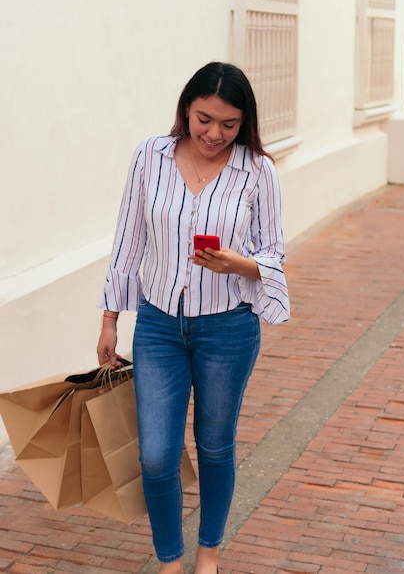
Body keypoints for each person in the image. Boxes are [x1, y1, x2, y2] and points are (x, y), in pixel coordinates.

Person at [96, 61, 290, 574]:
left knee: (214, 445)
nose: (214, 133)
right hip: (158, 326)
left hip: (228, 328)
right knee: (157, 455)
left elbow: (273, 253)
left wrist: (238, 263)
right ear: (187, 108)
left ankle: (208, 553)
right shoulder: (150, 157)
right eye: (205, 118)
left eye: (229, 124)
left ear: (243, 122)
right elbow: (127, 241)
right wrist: (110, 319)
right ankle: (169, 559)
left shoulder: (257, 170)